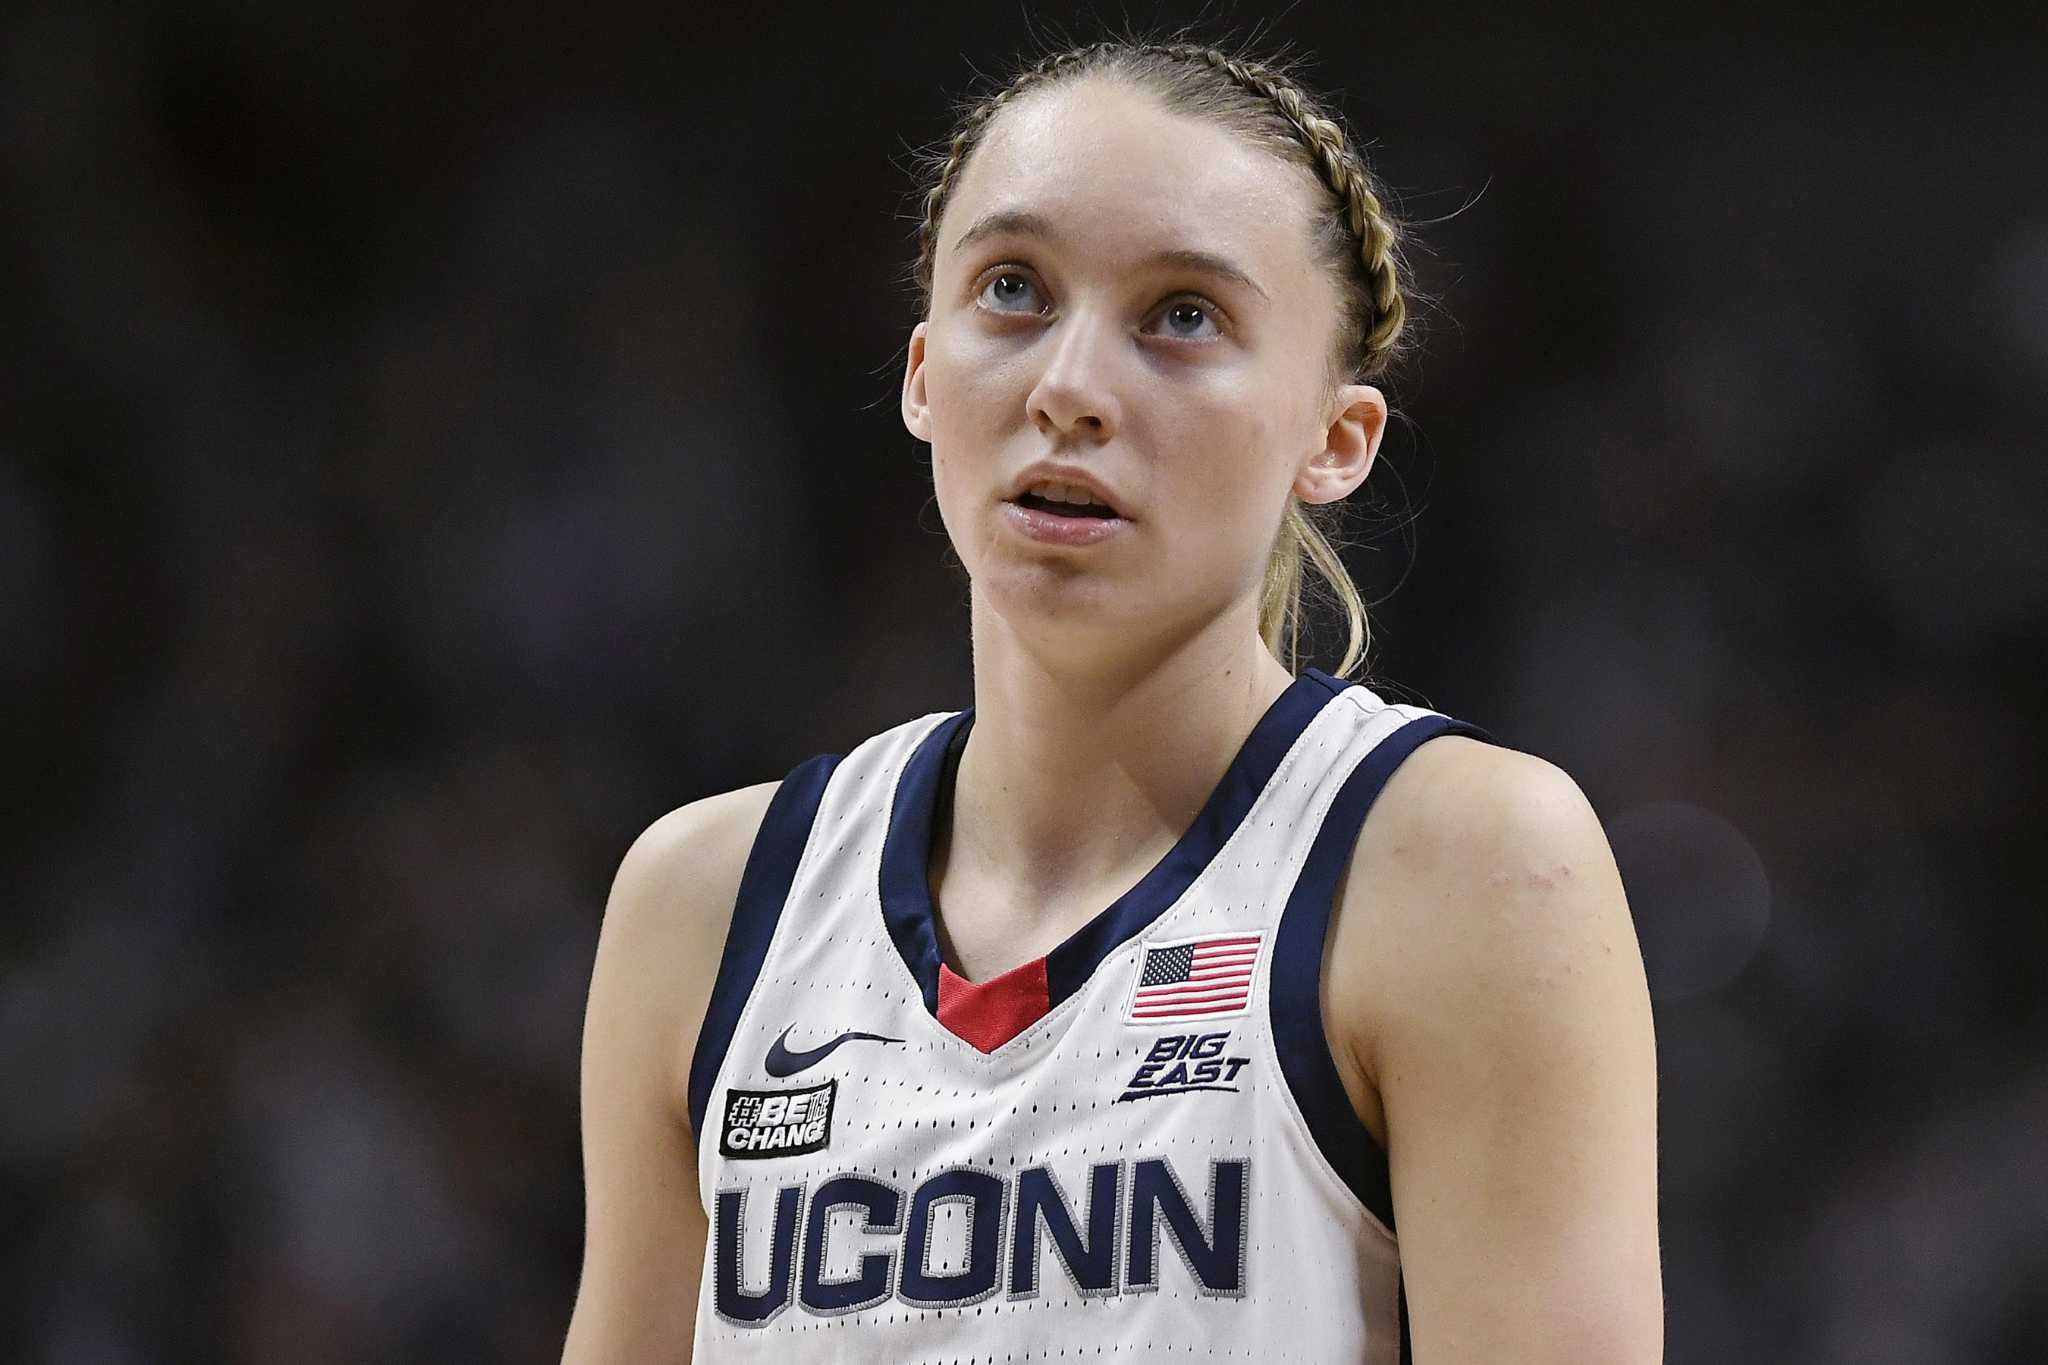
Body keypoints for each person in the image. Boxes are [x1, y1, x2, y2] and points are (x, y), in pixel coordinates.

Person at [561, 36, 1661, 1365]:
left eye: (1182, 314)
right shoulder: (706, 903)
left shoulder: (1465, 865)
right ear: (921, 371)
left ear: (1337, 438)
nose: (1069, 388)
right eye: (1013, 290)